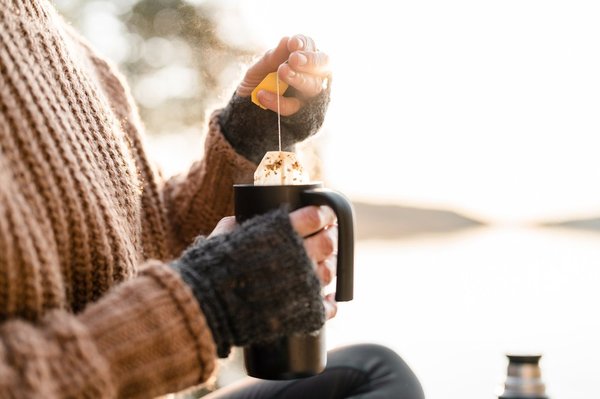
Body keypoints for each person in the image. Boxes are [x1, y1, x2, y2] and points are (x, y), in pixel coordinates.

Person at [0, 1, 424, 398]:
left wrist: (248, 136)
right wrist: (202, 306)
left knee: (375, 370)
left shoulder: (70, 47)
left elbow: (148, 232)